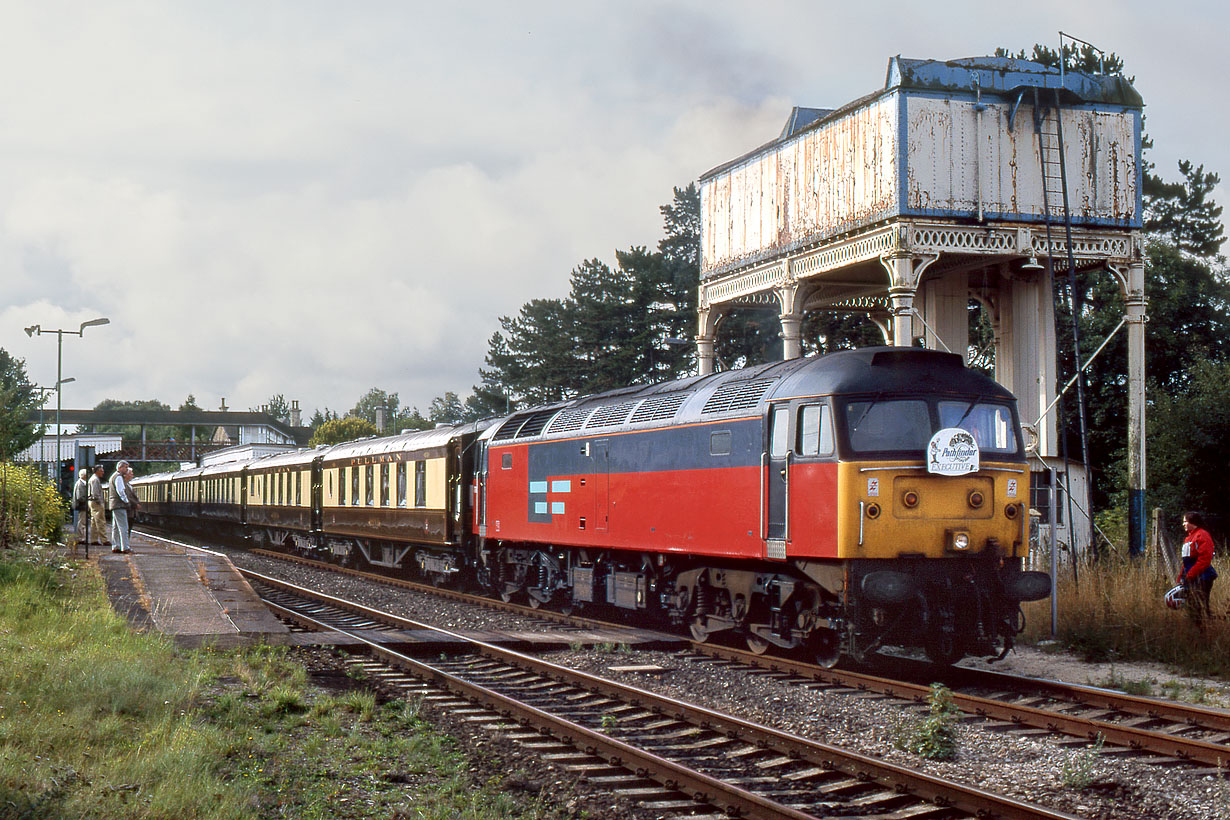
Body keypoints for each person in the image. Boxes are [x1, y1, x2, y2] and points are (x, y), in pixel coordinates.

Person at [1178, 511, 1218, 624]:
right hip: (1192, 577)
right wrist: (1182, 577)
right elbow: (1186, 562)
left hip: (1203, 577)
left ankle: (1206, 630)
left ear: (1193, 522)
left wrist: (1190, 575)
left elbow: (1205, 560)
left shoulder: (1202, 535)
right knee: (1192, 606)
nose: (1183, 524)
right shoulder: (1188, 538)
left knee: (1200, 605)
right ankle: (1197, 630)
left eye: (1185, 521)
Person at [107, 461, 135, 554]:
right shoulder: (118, 477)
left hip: (114, 504)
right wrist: (126, 501)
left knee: (115, 527)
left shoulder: (113, 476)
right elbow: (121, 491)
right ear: (120, 468)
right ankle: (125, 547)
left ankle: (116, 546)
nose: (126, 470)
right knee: (123, 527)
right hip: (119, 505)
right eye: (125, 468)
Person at [88, 465, 109, 546]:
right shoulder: (95, 480)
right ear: (97, 471)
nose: (103, 472)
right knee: (100, 521)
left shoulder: (93, 479)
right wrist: (100, 502)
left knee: (94, 521)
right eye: (101, 471)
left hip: (92, 502)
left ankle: (94, 539)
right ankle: (104, 540)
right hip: (96, 502)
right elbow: (96, 493)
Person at [72, 467, 89, 543]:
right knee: (82, 522)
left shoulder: (81, 483)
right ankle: (81, 538)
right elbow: (80, 497)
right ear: (84, 476)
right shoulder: (81, 484)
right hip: (82, 505)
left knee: (82, 521)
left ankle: (81, 537)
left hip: (81, 505)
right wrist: (88, 499)